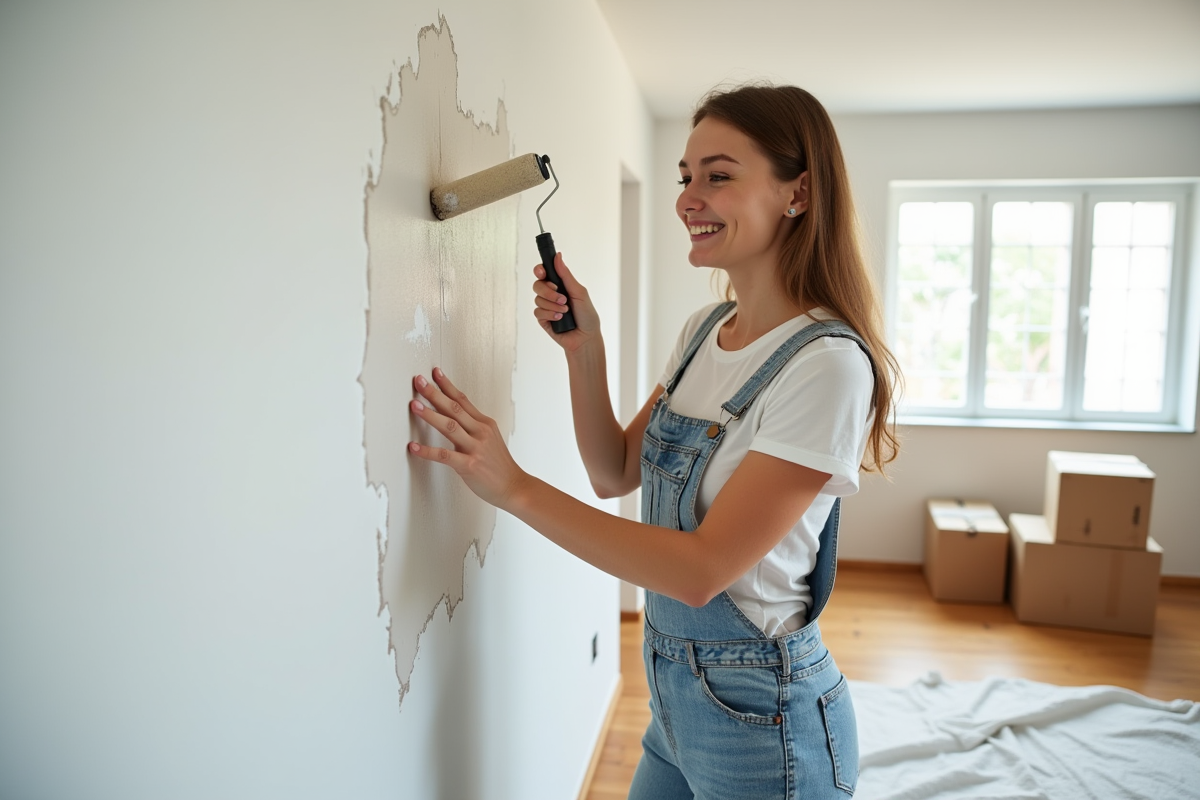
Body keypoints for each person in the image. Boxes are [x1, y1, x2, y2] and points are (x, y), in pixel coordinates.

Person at [408, 83, 900, 799]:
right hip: (673, 691)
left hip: (763, 714)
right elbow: (614, 471)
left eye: (718, 176)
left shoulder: (826, 365)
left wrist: (511, 486)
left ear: (798, 193)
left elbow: (700, 571)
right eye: (685, 177)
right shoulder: (704, 335)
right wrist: (586, 349)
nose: (687, 199)